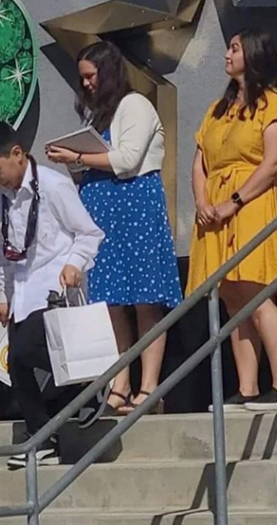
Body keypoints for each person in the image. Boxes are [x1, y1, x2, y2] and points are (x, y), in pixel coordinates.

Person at [45, 41, 181, 414]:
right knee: (113, 302)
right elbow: (94, 163)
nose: (86, 84)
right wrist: (72, 161)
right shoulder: (96, 118)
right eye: (82, 78)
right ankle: (120, 382)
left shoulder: (135, 105)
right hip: (104, 210)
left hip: (135, 205)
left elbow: (127, 158)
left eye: (91, 76)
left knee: (144, 298)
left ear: (107, 73)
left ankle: (149, 386)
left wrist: (78, 156)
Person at [0, 119, 103, 468]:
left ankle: (88, 385)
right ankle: (43, 437)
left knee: (28, 351)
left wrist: (74, 263)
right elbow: (3, 251)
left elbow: (89, 233)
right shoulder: (1, 197)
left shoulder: (54, 187)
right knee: (15, 363)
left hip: (52, 288)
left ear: (17, 154)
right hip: (22, 292)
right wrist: (3, 296)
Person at [186, 29, 277, 413]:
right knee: (233, 298)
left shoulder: (275, 104)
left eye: (234, 48)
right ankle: (247, 387)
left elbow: (274, 163)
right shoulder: (218, 109)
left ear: (253, 54)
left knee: (256, 291)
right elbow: (201, 160)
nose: (226, 54)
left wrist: (235, 201)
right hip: (215, 210)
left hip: (252, 203)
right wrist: (203, 201)